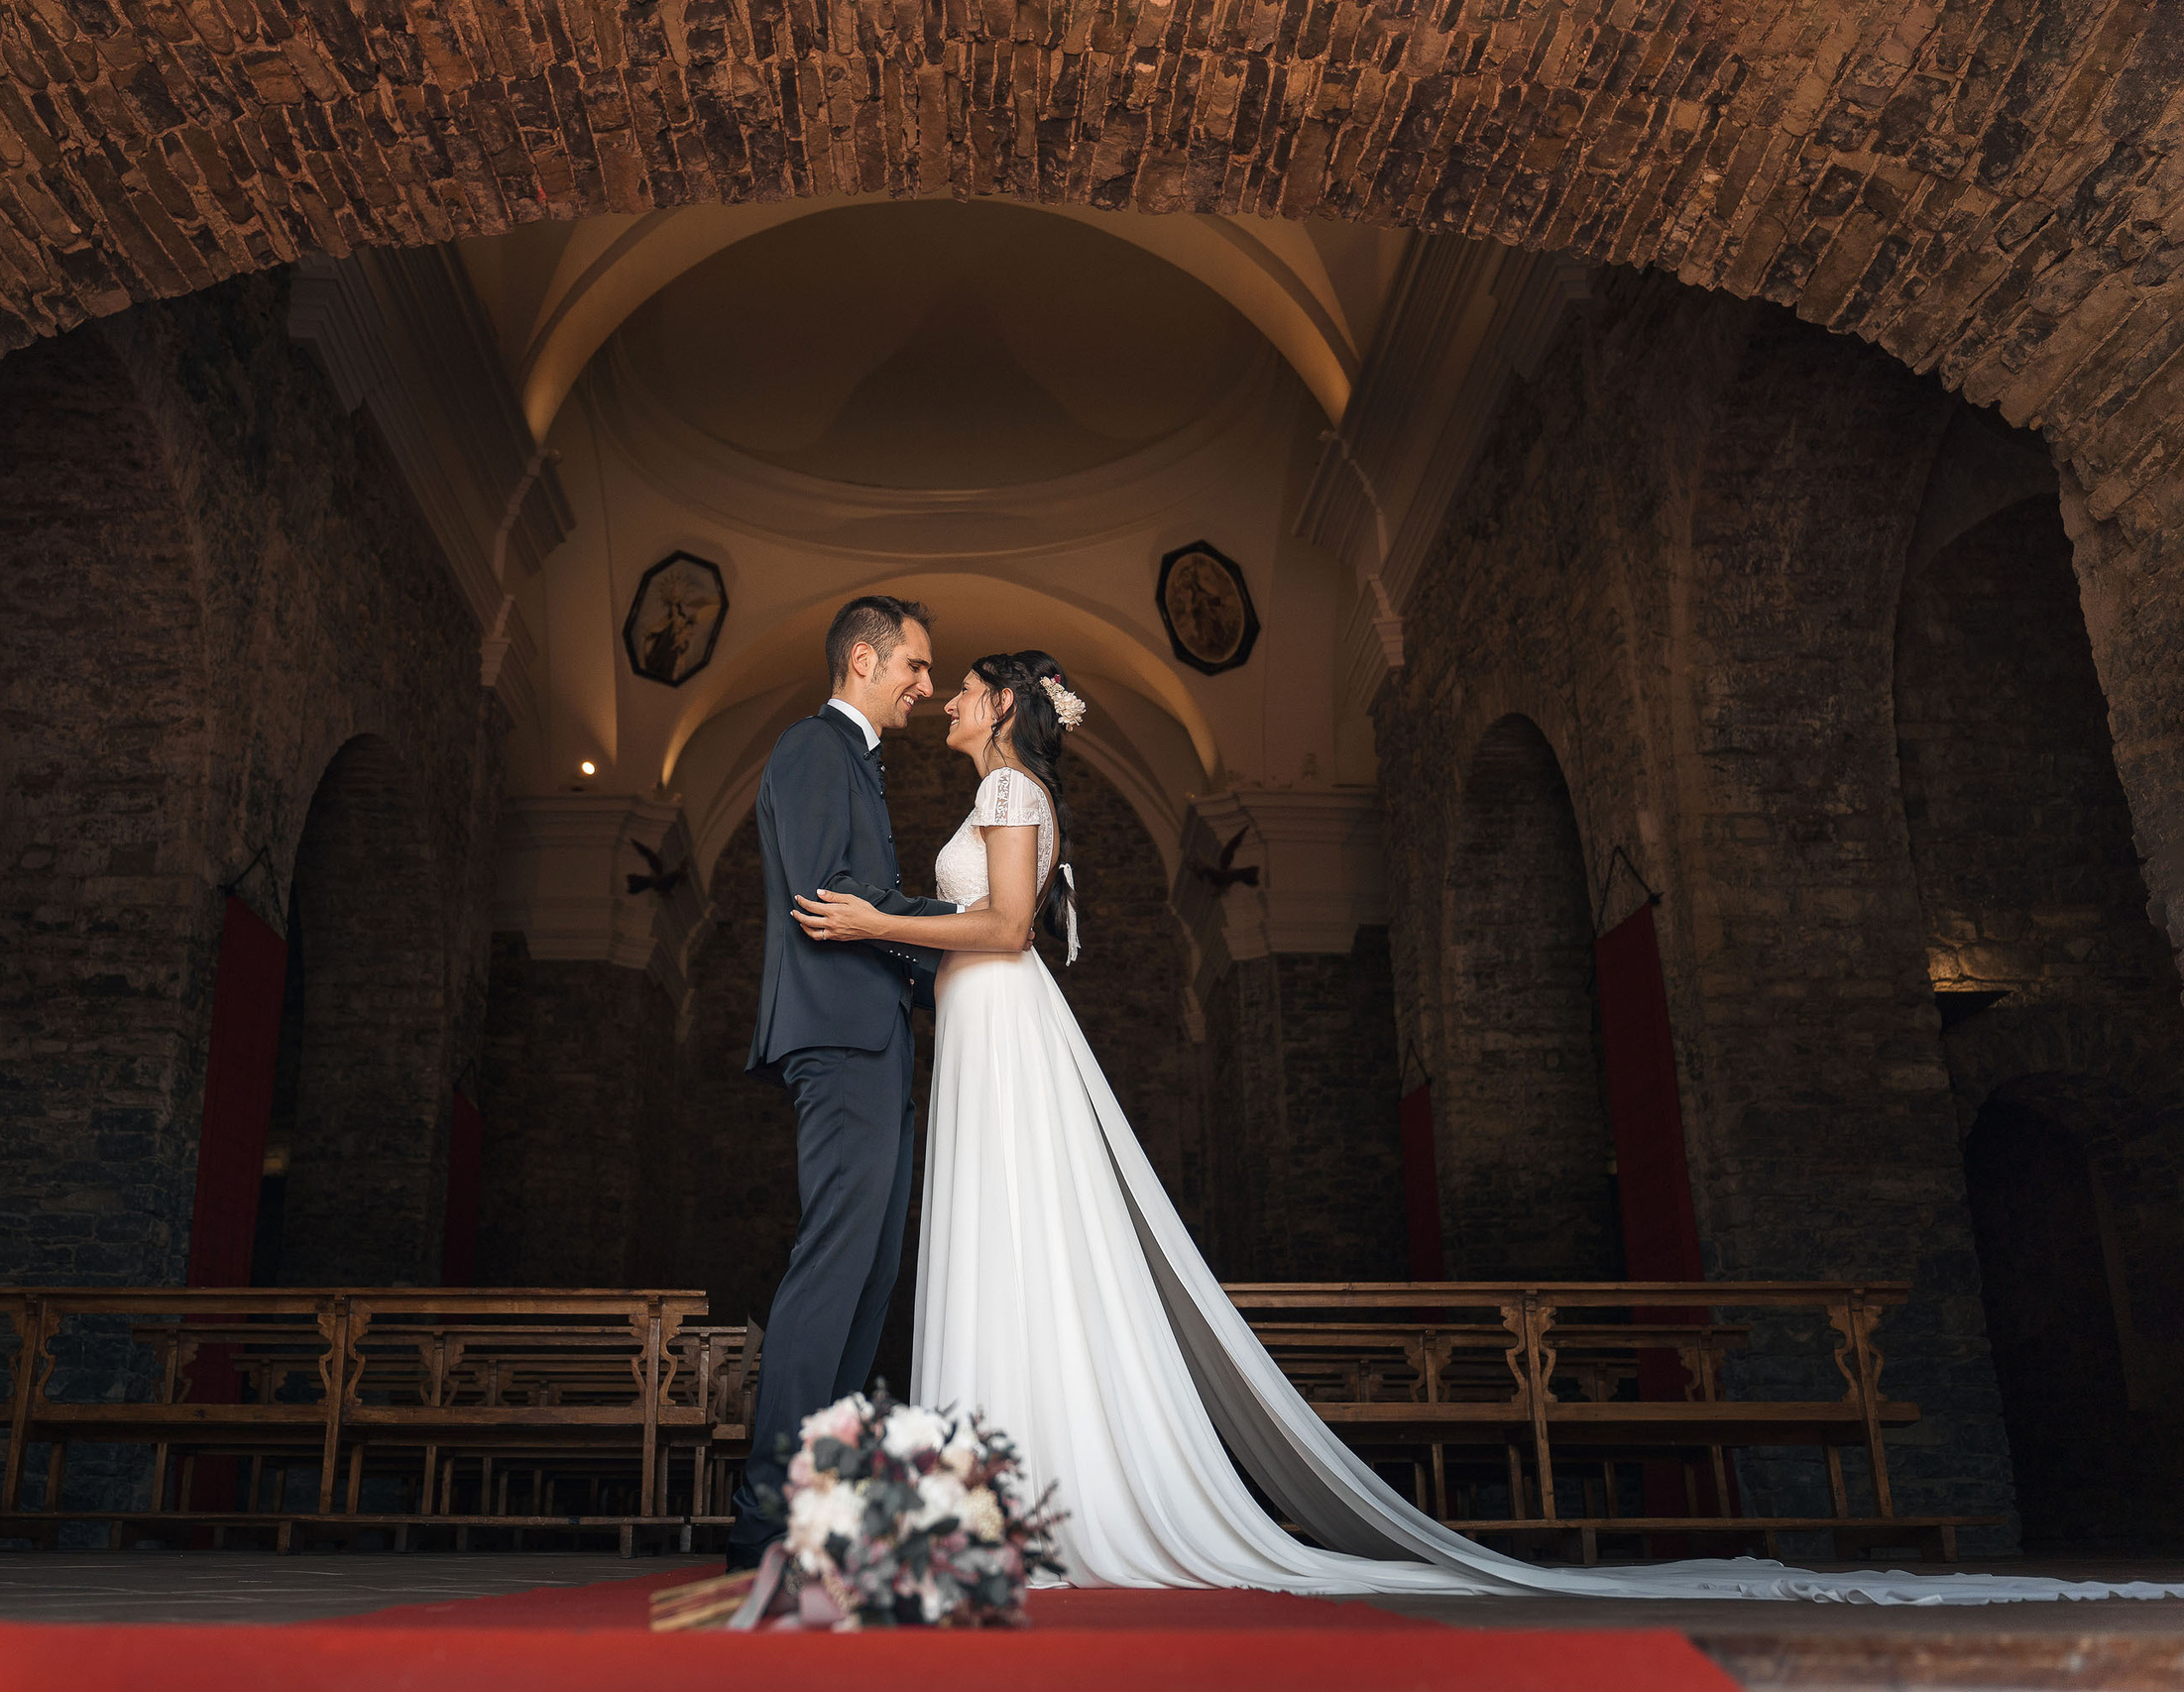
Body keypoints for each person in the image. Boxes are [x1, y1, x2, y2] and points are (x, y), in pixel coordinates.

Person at [788, 647, 2184, 1606]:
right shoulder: (984, 791)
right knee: (992, 1242)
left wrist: (877, 920)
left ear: (1010, 711)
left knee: (1029, 1236)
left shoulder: (1014, 793)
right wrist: (908, 940)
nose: (949, 692)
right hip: (970, 1027)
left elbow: (1014, 924)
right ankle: (995, 1489)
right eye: (944, 680)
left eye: (963, 684)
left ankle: (1068, 1491)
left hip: (1003, 1018)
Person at [728, 594, 963, 1572]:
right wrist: (963, 936)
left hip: (874, 1044)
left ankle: (823, 1502)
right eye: (913, 665)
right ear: (863, 659)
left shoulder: (852, 761)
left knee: (868, 1279)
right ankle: (767, 1510)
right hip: (838, 1041)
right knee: (833, 1268)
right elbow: (829, 894)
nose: (925, 684)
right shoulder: (811, 749)